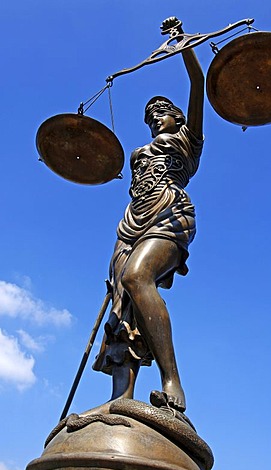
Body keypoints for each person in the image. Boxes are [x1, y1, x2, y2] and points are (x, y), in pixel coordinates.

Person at [93, 19, 204, 413]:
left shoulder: (189, 140)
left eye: (162, 112)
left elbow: (198, 84)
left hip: (168, 213)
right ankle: (120, 398)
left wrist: (183, 43)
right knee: (121, 303)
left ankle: (172, 380)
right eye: (150, 116)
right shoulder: (141, 152)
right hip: (130, 223)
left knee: (138, 277)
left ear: (179, 118)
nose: (155, 117)